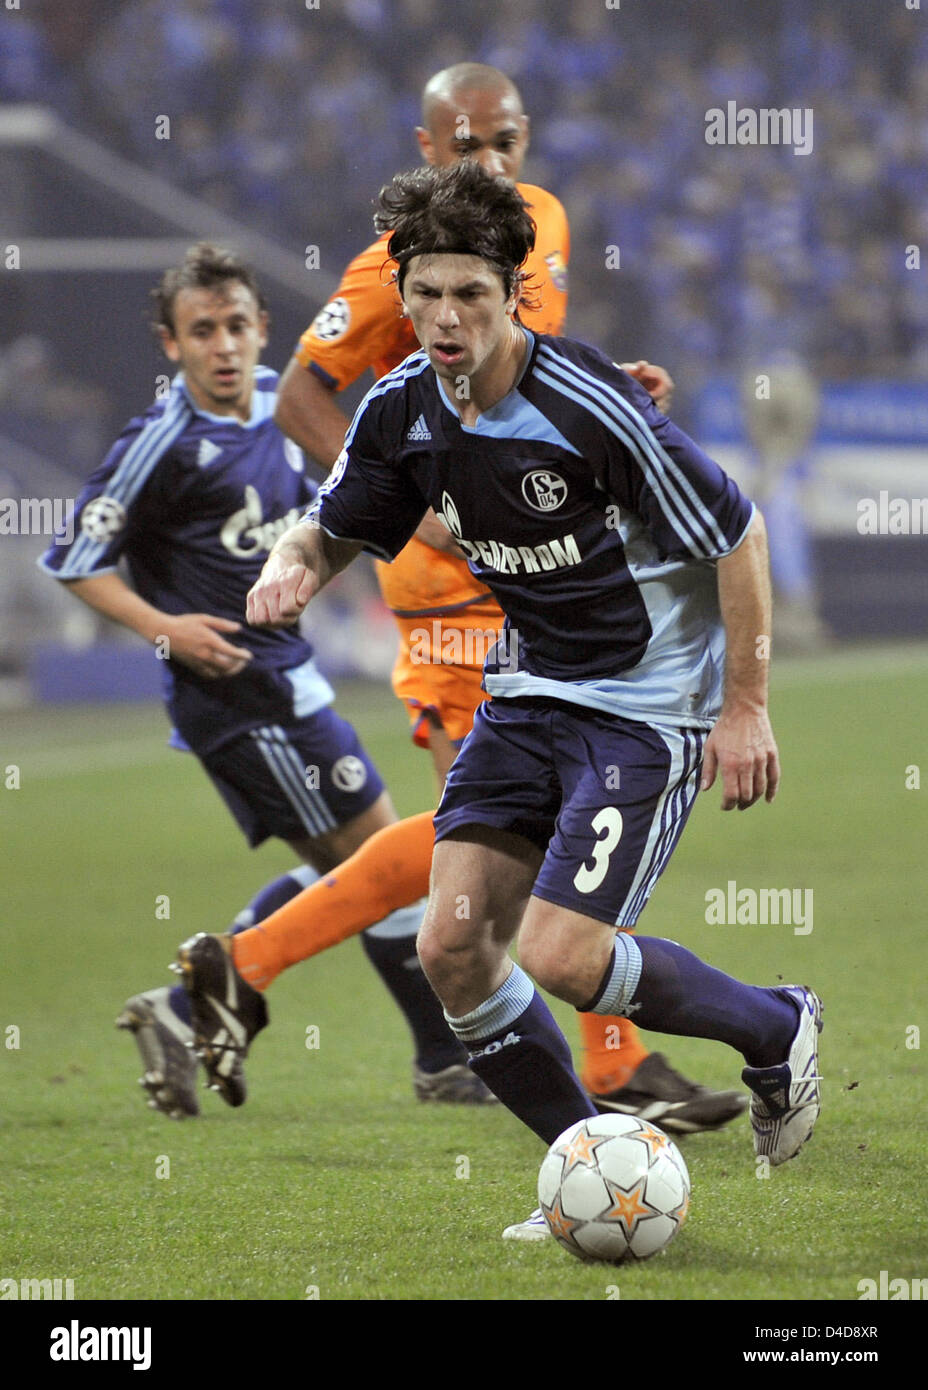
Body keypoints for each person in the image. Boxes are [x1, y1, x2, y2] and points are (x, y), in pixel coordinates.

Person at [224, 160, 823, 1240]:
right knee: (451, 949)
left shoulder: (589, 404)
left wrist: (746, 705)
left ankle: (775, 1024)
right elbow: (335, 520)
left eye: (471, 296)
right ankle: (586, 1168)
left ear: (513, 296)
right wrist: (292, 566)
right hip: (527, 691)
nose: (445, 319)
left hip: (643, 707)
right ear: (399, 293)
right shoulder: (401, 407)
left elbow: (736, 531)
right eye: (426, 295)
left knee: (559, 957)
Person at [40, 241, 492, 1116]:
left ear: (261, 330)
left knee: (370, 868)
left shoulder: (279, 412)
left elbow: (337, 511)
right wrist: (164, 626)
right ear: (170, 345)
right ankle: (439, 1059)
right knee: (385, 863)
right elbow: (76, 559)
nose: (222, 345)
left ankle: (185, 1005)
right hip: (240, 696)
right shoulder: (162, 441)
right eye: (200, 330)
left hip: (292, 679)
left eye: (236, 325)